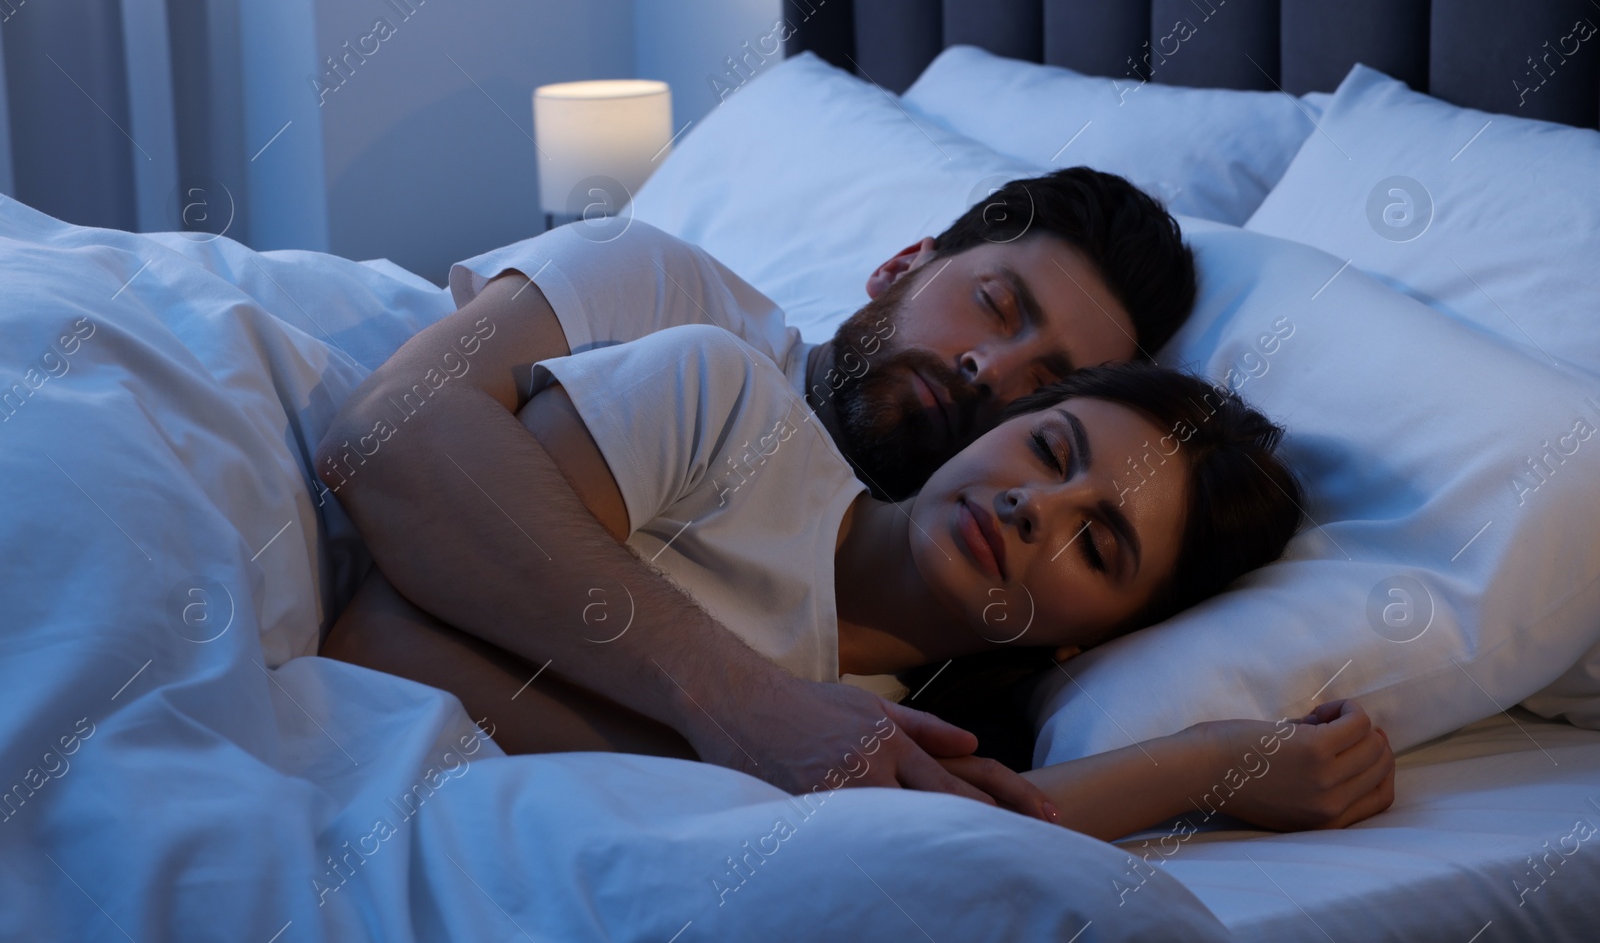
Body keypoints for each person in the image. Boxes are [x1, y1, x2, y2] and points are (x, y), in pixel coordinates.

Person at [314, 167, 1198, 813]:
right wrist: (745, 709)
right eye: (996, 306)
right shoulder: (674, 299)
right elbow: (389, 429)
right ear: (902, 264)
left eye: (1043, 382)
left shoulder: (922, 624)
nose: (986, 366)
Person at [322, 326, 1395, 841]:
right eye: (1049, 449)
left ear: (1091, 642)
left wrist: (1210, 762)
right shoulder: (725, 408)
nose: (1035, 507)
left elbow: (984, 830)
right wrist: (747, 726)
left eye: (1098, 544)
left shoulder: (897, 745)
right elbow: (377, 639)